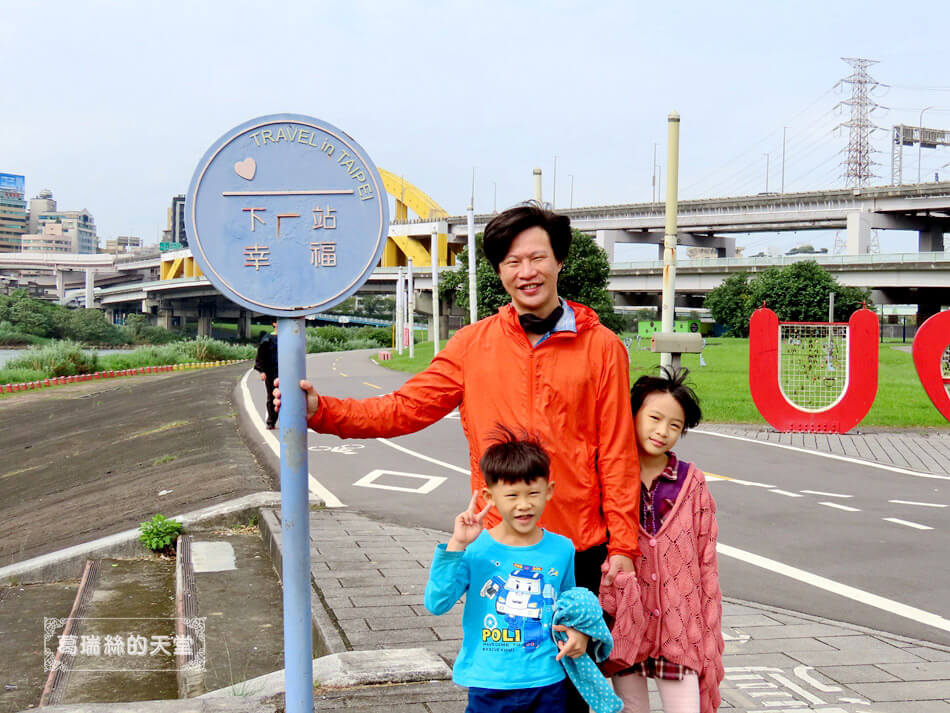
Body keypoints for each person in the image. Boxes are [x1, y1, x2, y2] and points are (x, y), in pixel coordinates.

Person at [276, 202, 640, 712]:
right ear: (499, 272)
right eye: (512, 263)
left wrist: (623, 546)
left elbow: (617, 453)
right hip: (500, 550)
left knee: (574, 685)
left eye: (537, 258)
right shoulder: (473, 345)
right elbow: (404, 408)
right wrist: (322, 410)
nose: (526, 272)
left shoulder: (601, 347)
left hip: (576, 549)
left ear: (560, 262)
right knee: (505, 680)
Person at [424, 429, 588, 713]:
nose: (523, 505)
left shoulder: (562, 549)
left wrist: (579, 635)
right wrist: (457, 543)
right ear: (489, 496)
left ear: (549, 491)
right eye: (511, 495)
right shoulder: (475, 549)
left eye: (533, 493)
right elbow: (437, 603)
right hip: (490, 685)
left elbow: (569, 608)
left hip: (547, 683)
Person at [599, 368, 724, 713]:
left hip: (679, 630)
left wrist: (707, 633)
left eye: (674, 425)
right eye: (654, 418)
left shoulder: (691, 483)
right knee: (631, 708)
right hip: (626, 628)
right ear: (633, 413)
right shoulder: (608, 477)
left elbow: (706, 565)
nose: (662, 431)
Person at [254, 321, 278, 429]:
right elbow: (260, 356)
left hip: (286, 372)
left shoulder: (289, 338)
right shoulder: (267, 339)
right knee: (272, 396)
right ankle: (271, 421)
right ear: (274, 323)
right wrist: (262, 371)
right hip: (271, 372)